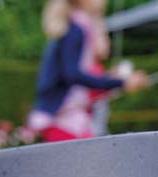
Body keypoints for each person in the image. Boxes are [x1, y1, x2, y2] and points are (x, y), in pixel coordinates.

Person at [29, 0, 149, 142]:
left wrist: (117, 82)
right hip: (62, 121)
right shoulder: (76, 29)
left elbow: (78, 81)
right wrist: (121, 83)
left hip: (67, 120)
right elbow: (73, 75)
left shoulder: (76, 26)